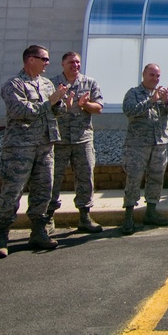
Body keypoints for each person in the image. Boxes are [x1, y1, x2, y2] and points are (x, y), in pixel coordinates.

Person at [0, 44, 67, 258]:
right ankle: (1, 236)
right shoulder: (13, 85)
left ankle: (38, 231)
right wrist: (50, 101)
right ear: (30, 59)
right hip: (20, 147)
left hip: (45, 145)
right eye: (44, 59)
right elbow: (21, 111)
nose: (47, 63)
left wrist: (59, 102)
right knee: (12, 192)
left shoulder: (46, 84)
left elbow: (56, 110)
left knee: (43, 190)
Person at [48, 51, 105, 234]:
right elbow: (45, 107)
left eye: (78, 62)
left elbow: (99, 108)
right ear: (63, 64)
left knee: (85, 177)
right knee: (52, 179)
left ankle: (84, 216)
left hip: (83, 139)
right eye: (71, 62)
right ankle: (48, 218)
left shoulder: (89, 83)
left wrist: (84, 105)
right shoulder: (52, 83)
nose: (75, 65)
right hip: (59, 140)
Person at [121, 63, 168, 235]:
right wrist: (151, 101)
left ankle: (151, 211)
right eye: (152, 75)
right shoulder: (133, 93)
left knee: (156, 178)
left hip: (159, 142)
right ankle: (129, 215)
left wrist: (167, 100)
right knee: (134, 178)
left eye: (158, 76)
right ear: (143, 75)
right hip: (138, 144)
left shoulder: (162, 93)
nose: (155, 78)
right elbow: (129, 110)